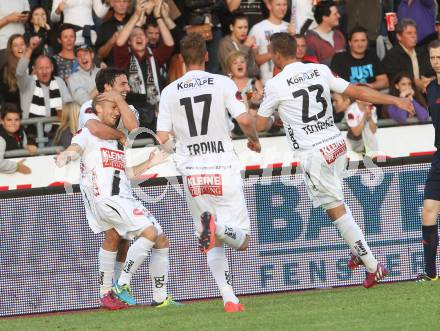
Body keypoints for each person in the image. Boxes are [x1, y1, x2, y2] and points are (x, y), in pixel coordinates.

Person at [255, 32, 415, 288]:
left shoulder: (275, 85)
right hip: (336, 146)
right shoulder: (319, 70)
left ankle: (374, 266)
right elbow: (356, 92)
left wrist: (258, 103)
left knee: (337, 212)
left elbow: (261, 124)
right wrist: (394, 98)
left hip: (313, 154)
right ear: (296, 50)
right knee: (338, 205)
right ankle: (357, 247)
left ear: (274, 54)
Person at [156, 33, 261, 313]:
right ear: (206, 56)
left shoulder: (169, 92)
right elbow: (244, 119)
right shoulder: (222, 83)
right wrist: (254, 138)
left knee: (210, 240)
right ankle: (221, 230)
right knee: (242, 240)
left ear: (180, 59)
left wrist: (178, 155)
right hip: (222, 167)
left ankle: (229, 298)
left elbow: (162, 136)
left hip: (192, 174)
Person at [55, 92, 178, 309]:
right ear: (98, 110)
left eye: (117, 108)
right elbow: (75, 148)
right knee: (148, 233)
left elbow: (125, 173)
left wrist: (149, 163)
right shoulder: (87, 133)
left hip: (125, 197)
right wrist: (66, 155)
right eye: (112, 107)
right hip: (108, 199)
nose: (116, 112)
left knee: (161, 240)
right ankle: (121, 284)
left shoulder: (116, 141)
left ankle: (160, 298)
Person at [114, 0, 174, 135]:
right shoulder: (124, 57)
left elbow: (169, 44)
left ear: (147, 40)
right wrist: (136, 15)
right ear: (129, 42)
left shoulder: (154, 55)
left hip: (153, 110)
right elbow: (119, 42)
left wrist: (159, 17)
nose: (139, 37)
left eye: (142, 34)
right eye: (134, 35)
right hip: (131, 112)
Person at [16, 36, 73, 141]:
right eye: (40, 68)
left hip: (57, 133)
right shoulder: (28, 82)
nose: (44, 71)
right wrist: (30, 49)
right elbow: (19, 72)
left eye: (47, 68)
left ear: (52, 68)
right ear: (34, 69)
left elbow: (69, 103)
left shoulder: (59, 82)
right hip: (31, 135)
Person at [417, 39, 440, 282]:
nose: (436, 62)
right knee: (428, 212)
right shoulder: (431, 88)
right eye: (433, 58)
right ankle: (431, 274)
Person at [382, 19, 434, 92]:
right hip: (403, 95)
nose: (414, 36)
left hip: (425, 92)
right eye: (409, 33)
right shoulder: (391, 56)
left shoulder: (422, 52)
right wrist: (417, 82)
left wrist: (431, 79)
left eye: (415, 33)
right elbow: (397, 78)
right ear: (399, 36)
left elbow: (431, 71)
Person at [249, 0, 289, 83]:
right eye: (278, 4)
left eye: (284, 4)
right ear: (269, 6)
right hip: (267, 81)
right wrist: (276, 53)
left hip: (289, 80)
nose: (282, 8)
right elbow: (252, 60)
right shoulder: (257, 28)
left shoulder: (290, 28)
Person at [218, 11, 258, 78]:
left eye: (245, 27)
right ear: (231, 27)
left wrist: (254, 52)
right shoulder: (225, 44)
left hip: (248, 82)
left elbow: (254, 70)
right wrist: (247, 46)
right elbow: (234, 67)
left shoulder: (246, 42)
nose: (243, 31)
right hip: (231, 83)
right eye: (240, 27)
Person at [305, 0, 346, 66]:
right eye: (335, 14)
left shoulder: (339, 35)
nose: (339, 16)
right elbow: (311, 68)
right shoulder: (310, 40)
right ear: (325, 18)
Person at [0, 103, 34, 174]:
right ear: (2, 121)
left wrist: (28, 146)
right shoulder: (1, 138)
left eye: (16, 120)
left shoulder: (21, 132)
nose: (13, 123)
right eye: (9, 120)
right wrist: (17, 167)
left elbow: (24, 144)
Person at [95, 0, 131, 67]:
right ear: (112, 3)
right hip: (114, 70)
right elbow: (99, 55)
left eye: (125, 1)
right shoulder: (105, 26)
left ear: (129, 3)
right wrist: (112, 41)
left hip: (134, 68)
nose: (121, 4)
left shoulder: (134, 21)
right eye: (118, 1)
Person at [0, 1, 29, 69]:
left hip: (22, 44)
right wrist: (8, 19)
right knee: (6, 76)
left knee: (22, 75)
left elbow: (29, 18)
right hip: (4, 45)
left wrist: (25, 18)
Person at [0, 34, 26, 112]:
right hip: (15, 113)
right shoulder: (5, 70)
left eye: (22, 44)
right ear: (11, 49)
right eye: (15, 45)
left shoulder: (35, 65)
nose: (20, 48)